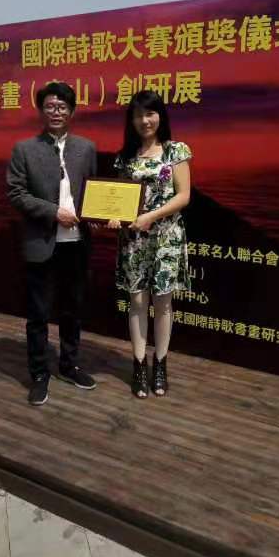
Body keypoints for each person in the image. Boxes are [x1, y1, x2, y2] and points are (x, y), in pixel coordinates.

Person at [7, 81, 98, 406]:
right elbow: (16, 193)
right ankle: (39, 374)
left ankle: (69, 365)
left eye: (62, 107)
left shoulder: (86, 148)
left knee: (73, 310)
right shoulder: (24, 149)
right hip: (41, 243)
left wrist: (100, 215)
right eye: (49, 106)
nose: (56, 112)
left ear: (71, 111)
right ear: (40, 110)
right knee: (38, 314)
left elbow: (93, 191)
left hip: (77, 244)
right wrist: (53, 212)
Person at [108, 90, 192, 398]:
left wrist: (151, 216)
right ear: (131, 120)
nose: (144, 120)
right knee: (137, 303)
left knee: (163, 303)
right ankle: (139, 365)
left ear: (160, 116)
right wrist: (114, 216)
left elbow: (184, 196)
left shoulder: (176, 150)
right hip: (134, 241)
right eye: (138, 115)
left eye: (150, 113)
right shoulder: (125, 157)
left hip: (166, 239)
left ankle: (161, 364)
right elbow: (119, 198)